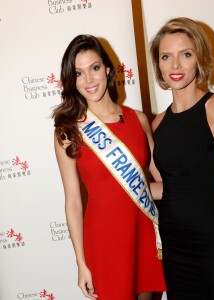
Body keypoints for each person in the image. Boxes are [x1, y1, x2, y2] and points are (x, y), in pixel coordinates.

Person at [52, 34, 166, 300]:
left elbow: (162, 183)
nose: (89, 80)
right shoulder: (69, 131)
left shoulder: (138, 120)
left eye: (94, 68)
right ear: (71, 80)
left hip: (143, 233)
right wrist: (81, 262)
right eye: (79, 73)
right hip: (103, 239)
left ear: (107, 69)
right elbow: (73, 202)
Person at [149, 17, 214, 299]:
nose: (175, 65)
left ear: (199, 58)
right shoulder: (157, 125)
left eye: (185, 54)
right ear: (158, 64)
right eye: (166, 57)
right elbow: (169, 187)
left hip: (212, 243)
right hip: (173, 246)